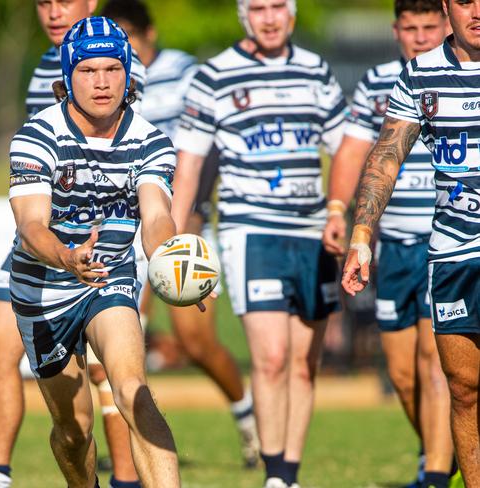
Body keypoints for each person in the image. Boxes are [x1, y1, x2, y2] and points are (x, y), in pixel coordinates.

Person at [0, 2, 146, 487]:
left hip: (104, 246)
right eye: (43, 1)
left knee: (111, 372)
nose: (52, 10)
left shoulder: (118, 65)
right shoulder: (43, 68)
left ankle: (126, 479)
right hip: (41, 239)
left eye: (64, 0)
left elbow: (125, 159)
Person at [170, 0, 347, 486]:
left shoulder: (316, 71)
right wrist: (175, 236)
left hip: (312, 233)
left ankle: (288, 471)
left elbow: (345, 148)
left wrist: (345, 211)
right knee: (269, 358)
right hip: (250, 230)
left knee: (303, 365)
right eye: (258, 8)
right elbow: (188, 164)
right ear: (243, 14)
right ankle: (275, 474)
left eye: (277, 7)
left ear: (291, 12)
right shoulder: (215, 76)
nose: (269, 18)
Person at [7, 16, 181, 488]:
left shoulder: (152, 142)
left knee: (132, 390)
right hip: (44, 288)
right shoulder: (37, 136)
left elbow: (157, 216)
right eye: (87, 70)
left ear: (128, 73)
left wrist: (174, 260)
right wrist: (66, 257)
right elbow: (30, 228)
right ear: (67, 75)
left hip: (109, 275)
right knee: (74, 430)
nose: (101, 82)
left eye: (112, 69)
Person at [100, 0, 260, 468]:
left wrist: (188, 213)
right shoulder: (102, 81)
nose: (123, 46)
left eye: (129, 33)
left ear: (150, 33)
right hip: (121, 224)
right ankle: (124, 452)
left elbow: (208, 145)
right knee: (126, 326)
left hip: (175, 216)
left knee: (196, 342)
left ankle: (248, 420)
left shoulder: (185, 72)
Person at [342, 0, 480, 484]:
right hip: (453, 253)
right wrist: (361, 236)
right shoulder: (420, 76)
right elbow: (386, 157)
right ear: (449, 7)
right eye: (465, 0)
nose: (477, 10)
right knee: (463, 388)